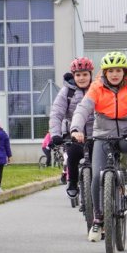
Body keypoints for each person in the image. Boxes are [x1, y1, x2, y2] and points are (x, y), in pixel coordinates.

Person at [70, 51, 127, 242]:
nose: (114, 74)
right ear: (104, 73)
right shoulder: (96, 87)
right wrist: (76, 128)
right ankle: (98, 219)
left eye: (118, 70)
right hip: (103, 136)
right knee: (97, 176)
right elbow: (83, 109)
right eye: (110, 71)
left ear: (124, 71)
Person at [50, 57, 96, 201]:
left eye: (85, 74)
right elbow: (56, 114)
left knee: (100, 161)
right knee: (73, 154)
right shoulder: (67, 92)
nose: (81, 78)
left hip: (97, 133)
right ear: (73, 76)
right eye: (78, 75)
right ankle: (73, 183)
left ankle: (105, 187)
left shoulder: (98, 89)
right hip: (76, 133)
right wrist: (55, 134)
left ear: (90, 75)